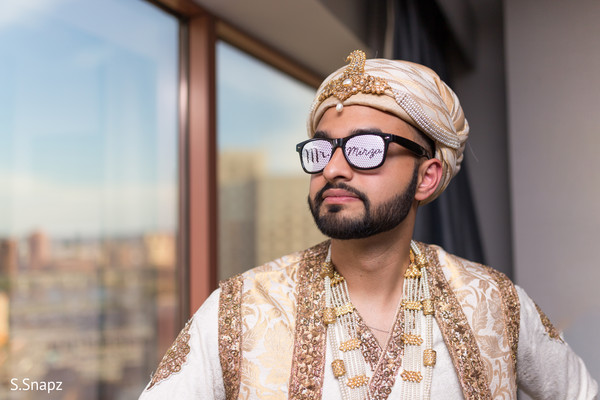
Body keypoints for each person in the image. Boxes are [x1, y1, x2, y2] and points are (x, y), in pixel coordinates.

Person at [139, 50, 598, 399]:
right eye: (322, 150)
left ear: (427, 175)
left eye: (365, 148)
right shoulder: (241, 309)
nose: (333, 169)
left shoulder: (494, 302)